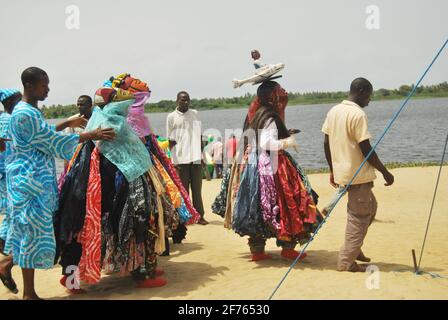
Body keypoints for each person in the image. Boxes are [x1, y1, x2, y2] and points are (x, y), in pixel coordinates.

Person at [4, 67, 115, 300]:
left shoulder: (28, 111)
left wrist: (67, 124)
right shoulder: (25, 113)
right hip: (29, 184)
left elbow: (42, 135)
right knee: (31, 237)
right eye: (44, 85)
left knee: (30, 234)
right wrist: (90, 134)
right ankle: (29, 293)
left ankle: (9, 267)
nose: (48, 89)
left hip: (32, 181)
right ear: (29, 86)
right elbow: (49, 141)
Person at [226, 80, 320, 261]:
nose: (283, 94)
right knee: (286, 201)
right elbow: (266, 143)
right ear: (273, 97)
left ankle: (257, 251)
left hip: (254, 163)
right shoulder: (270, 116)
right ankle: (288, 248)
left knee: (256, 206)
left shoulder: (259, 113)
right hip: (271, 164)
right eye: (279, 92)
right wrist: (287, 142)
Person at [322, 77, 394, 272]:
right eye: (369, 96)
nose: (369, 101)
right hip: (357, 176)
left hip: (344, 174)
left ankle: (355, 249)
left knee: (371, 208)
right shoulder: (357, 114)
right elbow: (366, 148)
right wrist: (385, 172)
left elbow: (326, 143)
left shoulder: (334, 111)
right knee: (359, 217)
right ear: (361, 91)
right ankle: (347, 261)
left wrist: (333, 170)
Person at [167, 91, 208, 225]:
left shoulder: (195, 114)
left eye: (187, 100)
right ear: (177, 101)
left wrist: (202, 156)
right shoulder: (171, 117)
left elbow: (200, 135)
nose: (185, 102)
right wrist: (174, 160)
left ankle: (200, 216)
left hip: (195, 157)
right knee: (183, 191)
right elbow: (171, 141)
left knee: (197, 189)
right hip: (180, 160)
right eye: (183, 100)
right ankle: (186, 217)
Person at [0, 88, 22, 294]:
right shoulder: (11, 119)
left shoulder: (3, 119)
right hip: (13, 176)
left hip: (7, 175)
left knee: (10, 216)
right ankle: (7, 259)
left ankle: (6, 251)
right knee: (15, 218)